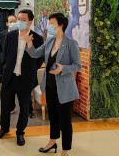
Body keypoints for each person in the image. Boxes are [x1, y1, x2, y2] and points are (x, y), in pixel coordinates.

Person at [22, 13, 81, 156]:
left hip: (65, 88)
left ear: (60, 25)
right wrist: (29, 43)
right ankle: (52, 141)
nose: (49, 26)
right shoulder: (49, 42)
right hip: (49, 86)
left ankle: (65, 149)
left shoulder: (71, 43)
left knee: (65, 121)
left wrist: (63, 68)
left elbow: (77, 65)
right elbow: (35, 54)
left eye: (52, 23)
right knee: (53, 117)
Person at [0, 9, 44, 146]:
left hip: (25, 79)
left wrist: (31, 71)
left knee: (24, 107)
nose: (20, 22)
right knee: (5, 105)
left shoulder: (38, 38)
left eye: (23, 19)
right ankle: (4, 128)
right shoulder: (10, 36)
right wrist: (5, 66)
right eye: (18, 19)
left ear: (30, 21)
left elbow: (39, 59)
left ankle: (20, 133)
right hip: (9, 77)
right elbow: (4, 53)